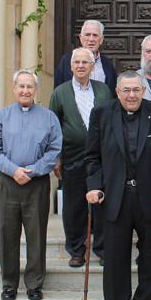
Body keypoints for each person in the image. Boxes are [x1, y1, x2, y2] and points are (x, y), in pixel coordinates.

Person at [84, 71, 151, 300]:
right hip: (114, 198)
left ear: (144, 90)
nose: (132, 95)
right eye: (126, 90)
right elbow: (92, 157)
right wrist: (93, 187)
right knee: (115, 259)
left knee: (150, 258)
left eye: (136, 89)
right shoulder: (101, 114)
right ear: (117, 92)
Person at [0, 69, 62, 300]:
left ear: (36, 90)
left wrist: (34, 171)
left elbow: (55, 149)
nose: (25, 91)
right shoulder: (1, 116)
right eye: (21, 86)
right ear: (14, 88)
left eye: (30, 87)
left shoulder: (49, 117)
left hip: (36, 184)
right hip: (8, 184)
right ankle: (9, 284)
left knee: (36, 235)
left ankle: (34, 284)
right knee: (7, 235)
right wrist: (14, 170)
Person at [48, 48, 113, 267]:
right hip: (72, 157)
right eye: (77, 62)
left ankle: (103, 249)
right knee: (74, 206)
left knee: (102, 204)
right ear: (71, 66)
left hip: (102, 158)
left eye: (85, 62)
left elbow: (112, 122)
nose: (81, 65)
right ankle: (76, 250)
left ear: (92, 66)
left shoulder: (103, 90)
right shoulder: (60, 92)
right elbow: (54, 126)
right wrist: (56, 157)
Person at [55, 20, 118, 90]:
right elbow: (58, 90)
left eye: (95, 35)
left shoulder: (108, 65)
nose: (91, 39)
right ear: (81, 38)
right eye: (87, 35)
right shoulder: (66, 61)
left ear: (101, 39)